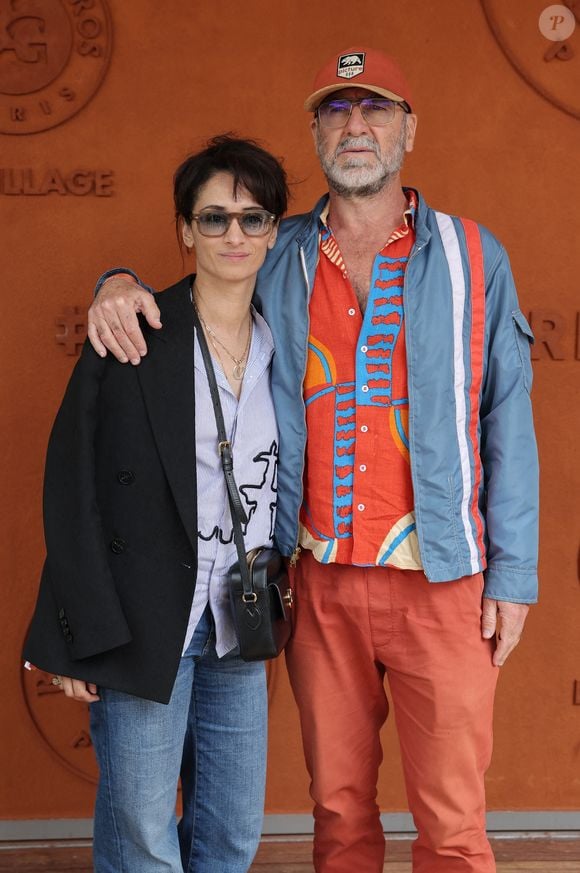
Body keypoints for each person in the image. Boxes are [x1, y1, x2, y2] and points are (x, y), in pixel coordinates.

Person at [86, 47, 539, 873]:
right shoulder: (274, 251)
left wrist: (514, 575)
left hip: (442, 580)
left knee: (454, 818)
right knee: (337, 808)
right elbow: (188, 294)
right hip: (316, 580)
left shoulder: (475, 256)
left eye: (375, 109)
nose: (356, 126)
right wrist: (117, 279)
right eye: (337, 111)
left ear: (409, 129)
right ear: (316, 132)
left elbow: (509, 414)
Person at [23, 135, 289, 873]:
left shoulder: (286, 343)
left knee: (232, 829)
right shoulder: (134, 331)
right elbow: (74, 482)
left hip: (242, 617)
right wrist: (79, 629)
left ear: (274, 231)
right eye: (214, 218)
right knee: (143, 833)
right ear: (184, 228)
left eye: (252, 218)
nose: (234, 234)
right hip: (145, 622)